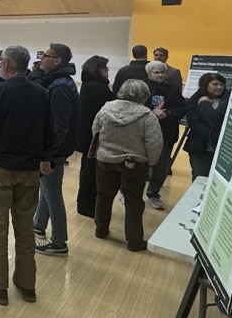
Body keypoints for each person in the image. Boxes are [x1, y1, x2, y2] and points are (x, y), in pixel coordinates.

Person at [0, 45, 55, 306]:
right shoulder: (41, 94)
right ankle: (27, 283)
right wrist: (43, 157)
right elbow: (50, 132)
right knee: (25, 226)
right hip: (29, 171)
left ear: (7, 64)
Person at [92, 79, 163, 252]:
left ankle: (101, 229)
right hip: (134, 163)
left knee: (103, 196)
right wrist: (151, 162)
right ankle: (134, 241)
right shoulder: (147, 116)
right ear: (144, 95)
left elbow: (95, 129)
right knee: (133, 202)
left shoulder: (106, 108)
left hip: (105, 160)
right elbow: (154, 143)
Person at [32, 43, 79, 257]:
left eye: (46, 55)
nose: (41, 58)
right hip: (55, 148)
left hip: (55, 150)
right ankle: (39, 225)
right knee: (47, 188)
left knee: (52, 193)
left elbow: (59, 127)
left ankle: (59, 242)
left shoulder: (60, 87)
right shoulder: (57, 81)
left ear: (57, 61)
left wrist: (47, 155)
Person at [143, 60, 186, 209]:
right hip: (144, 132)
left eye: (162, 72)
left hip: (166, 132)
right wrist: (151, 111)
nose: (160, 75)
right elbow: (134, 106)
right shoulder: (142, 86)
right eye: (156, 72)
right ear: (149, 74)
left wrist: (167, 113)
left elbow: (181, 108)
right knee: (140, 165)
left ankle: (153, 194)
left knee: (161, 167)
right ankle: (128, 192)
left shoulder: (172, 88)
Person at [76, 55, 116, 218]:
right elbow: (113, 104)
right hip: (92, 136)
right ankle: (86, 205)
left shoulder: (91, 84)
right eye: (105, 69)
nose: (107, 72)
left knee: (89, 170)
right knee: (90, 172)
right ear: (97, 70)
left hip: (90, 134)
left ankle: (87, 204)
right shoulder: (95, 87)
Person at [184, 73, 229, 179]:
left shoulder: (228, 100)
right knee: (200, 177)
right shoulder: (195, 99)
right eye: (215, 84)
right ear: (205, 85)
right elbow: (193, 123)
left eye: (222, 84)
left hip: (223, 148)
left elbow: (219, 120)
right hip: (200, 146)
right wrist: (211, 134)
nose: (219, 87)